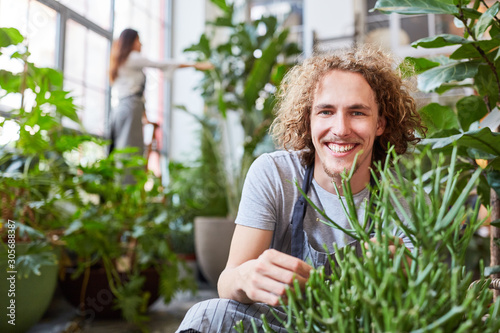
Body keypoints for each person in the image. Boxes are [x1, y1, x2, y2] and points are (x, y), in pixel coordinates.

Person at [177, 44, 425, 332]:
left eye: (357, 113)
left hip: (359, 325)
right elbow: (227, 282)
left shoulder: (406, 200)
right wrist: (245, 279)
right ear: (309, 119)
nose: (341, 128)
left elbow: (417, 307)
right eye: (326, 112)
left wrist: (404, 281)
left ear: (380, 123)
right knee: (208, 314)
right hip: (278, 324)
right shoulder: (275, 174)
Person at [108, 28, 212, 159]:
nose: (141, 44)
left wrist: (144, 114)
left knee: (122, 148)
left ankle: (124, 178)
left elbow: (136, 91)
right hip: (131, 108)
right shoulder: (133, 58)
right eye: (138, 40)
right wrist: (194, 65)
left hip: (122, 108)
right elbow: (161, 64)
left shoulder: (120, 60)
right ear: (131, 41)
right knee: (130, 151)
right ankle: (129, 180)